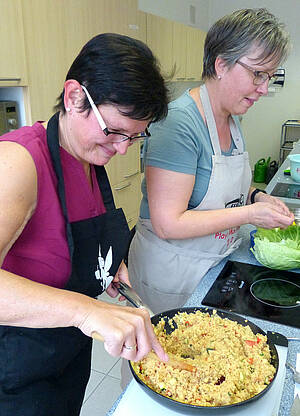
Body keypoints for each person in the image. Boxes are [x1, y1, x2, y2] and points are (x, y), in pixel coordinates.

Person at [0, 33, 169, 415]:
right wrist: (86, 311)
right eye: (114, 131)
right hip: (15, 374)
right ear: (75, 96)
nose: (123, 148)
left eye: (135, 136)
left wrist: (107, 268)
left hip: (67, 358)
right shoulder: (19, 163)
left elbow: (65, 245)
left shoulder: (89, 159)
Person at [128, 8, 294, 315]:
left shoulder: (232, 119)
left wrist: (258, 198)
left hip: (212, 262)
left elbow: (226, 194)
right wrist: (250, 214)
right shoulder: (179, 123)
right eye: (257, 74)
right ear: (221, 64)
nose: (264, 88)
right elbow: (168, 223)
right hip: (172, 272)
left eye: (269, 76)